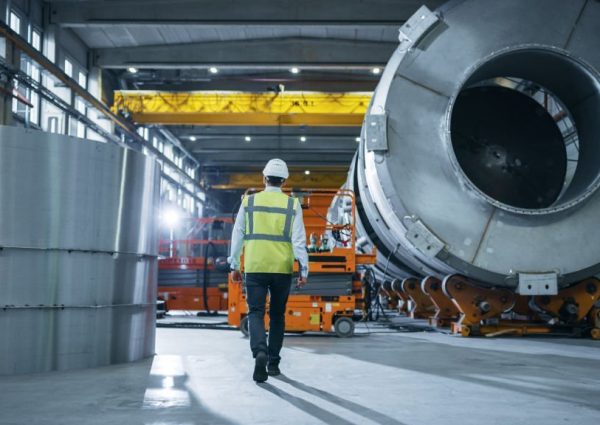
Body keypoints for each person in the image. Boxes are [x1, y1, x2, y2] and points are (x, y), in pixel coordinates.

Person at [228, 158, 309, 383]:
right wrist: (304, 270)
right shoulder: (293, 205)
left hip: (255, 266)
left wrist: (234, 264)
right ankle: (273, 363)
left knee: (255, 312)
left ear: (264, 178)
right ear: (284, 181)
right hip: (282, 268)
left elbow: (238, 234)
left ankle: (259, 351)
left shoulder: (249, 201)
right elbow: (299, 241)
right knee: (277, 316)